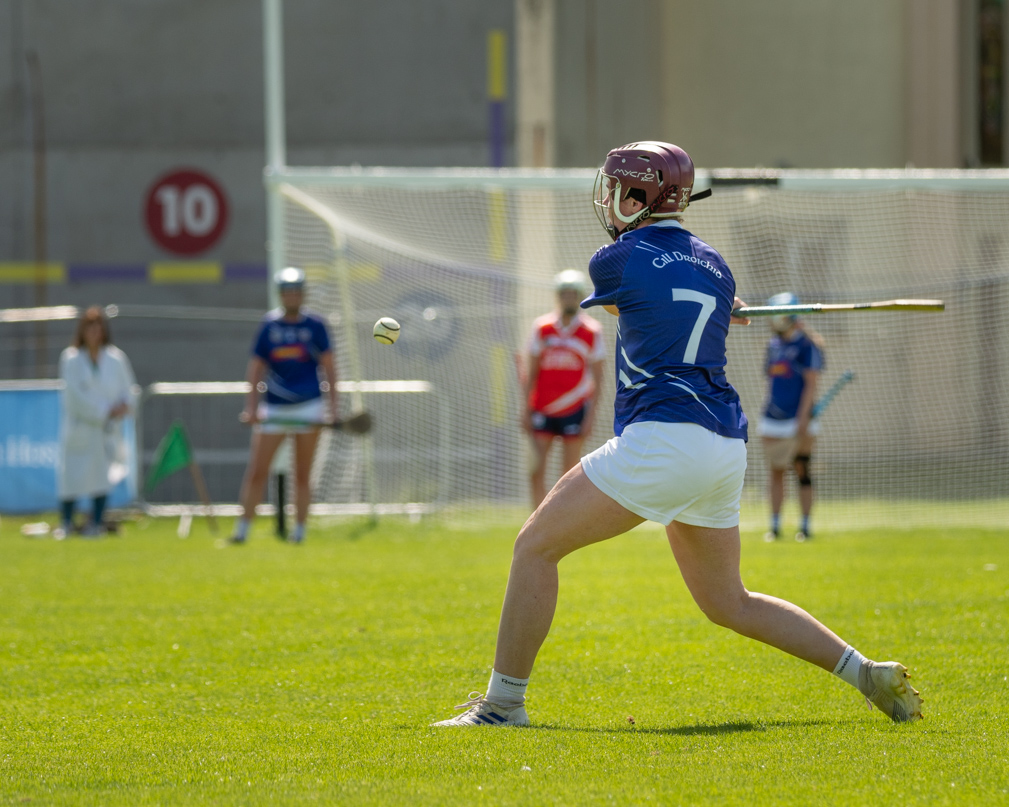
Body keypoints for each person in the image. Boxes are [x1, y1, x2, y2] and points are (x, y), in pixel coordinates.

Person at [432, 141, 922, 727]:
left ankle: (502, 706)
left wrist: (715, 305)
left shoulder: (615, 258)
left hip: (663, 437)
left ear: (641, 195)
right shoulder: (717, 266)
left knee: (534, 548)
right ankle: (863, 671)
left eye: (617, 189)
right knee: (728, 602)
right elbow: (685, 303)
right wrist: (726, 304)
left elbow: (626, 306)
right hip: (721, 447)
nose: (608, 200)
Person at [229, 267, 338, 545]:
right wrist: (251, 407)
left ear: (302, 294)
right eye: (287, 292)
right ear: (281, 295)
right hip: (275, 408)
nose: (292, 296)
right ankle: (242, 531)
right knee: (257, 471)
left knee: (302, 474)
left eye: (296, 291)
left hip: (309, 406)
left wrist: (332, 409)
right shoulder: (269, 326)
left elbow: (329, 368)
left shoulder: (315, 325)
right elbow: (256, 369)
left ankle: (299, 532)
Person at [522, 269, 605, 509]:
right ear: (558, 296)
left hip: (575, 410)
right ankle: (536, 518)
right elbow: (532, 371)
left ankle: (562, 517)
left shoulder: (592, 331)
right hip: (542, 408)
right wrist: (525, 409)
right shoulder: (542, 327)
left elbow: (598, 379)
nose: (569, 298)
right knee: (536, 469)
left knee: (568, 475)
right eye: (565, 294)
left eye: (573, 294)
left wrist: (591, 416)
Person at [56, 306, 138, 539]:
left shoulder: (116, 358)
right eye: (89, 328)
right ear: (82, 331)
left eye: (98, 328)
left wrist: (123, 406)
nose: (94, 333)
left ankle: (97, 523)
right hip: (80, 428)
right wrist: (104, 410)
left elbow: (129, 390)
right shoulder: (71, 359)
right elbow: (74, 397)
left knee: (101, 477)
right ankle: (67, 523)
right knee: (71, 476)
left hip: (106, 431)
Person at [757, 293, 824, 542]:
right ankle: (774, 527)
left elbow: (810, 384)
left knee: (802, 468)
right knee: (776, 471)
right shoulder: (773, 345)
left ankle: (804, 527)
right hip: (773, 418)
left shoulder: (807, 345)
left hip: (799, 418)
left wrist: (803, 418)